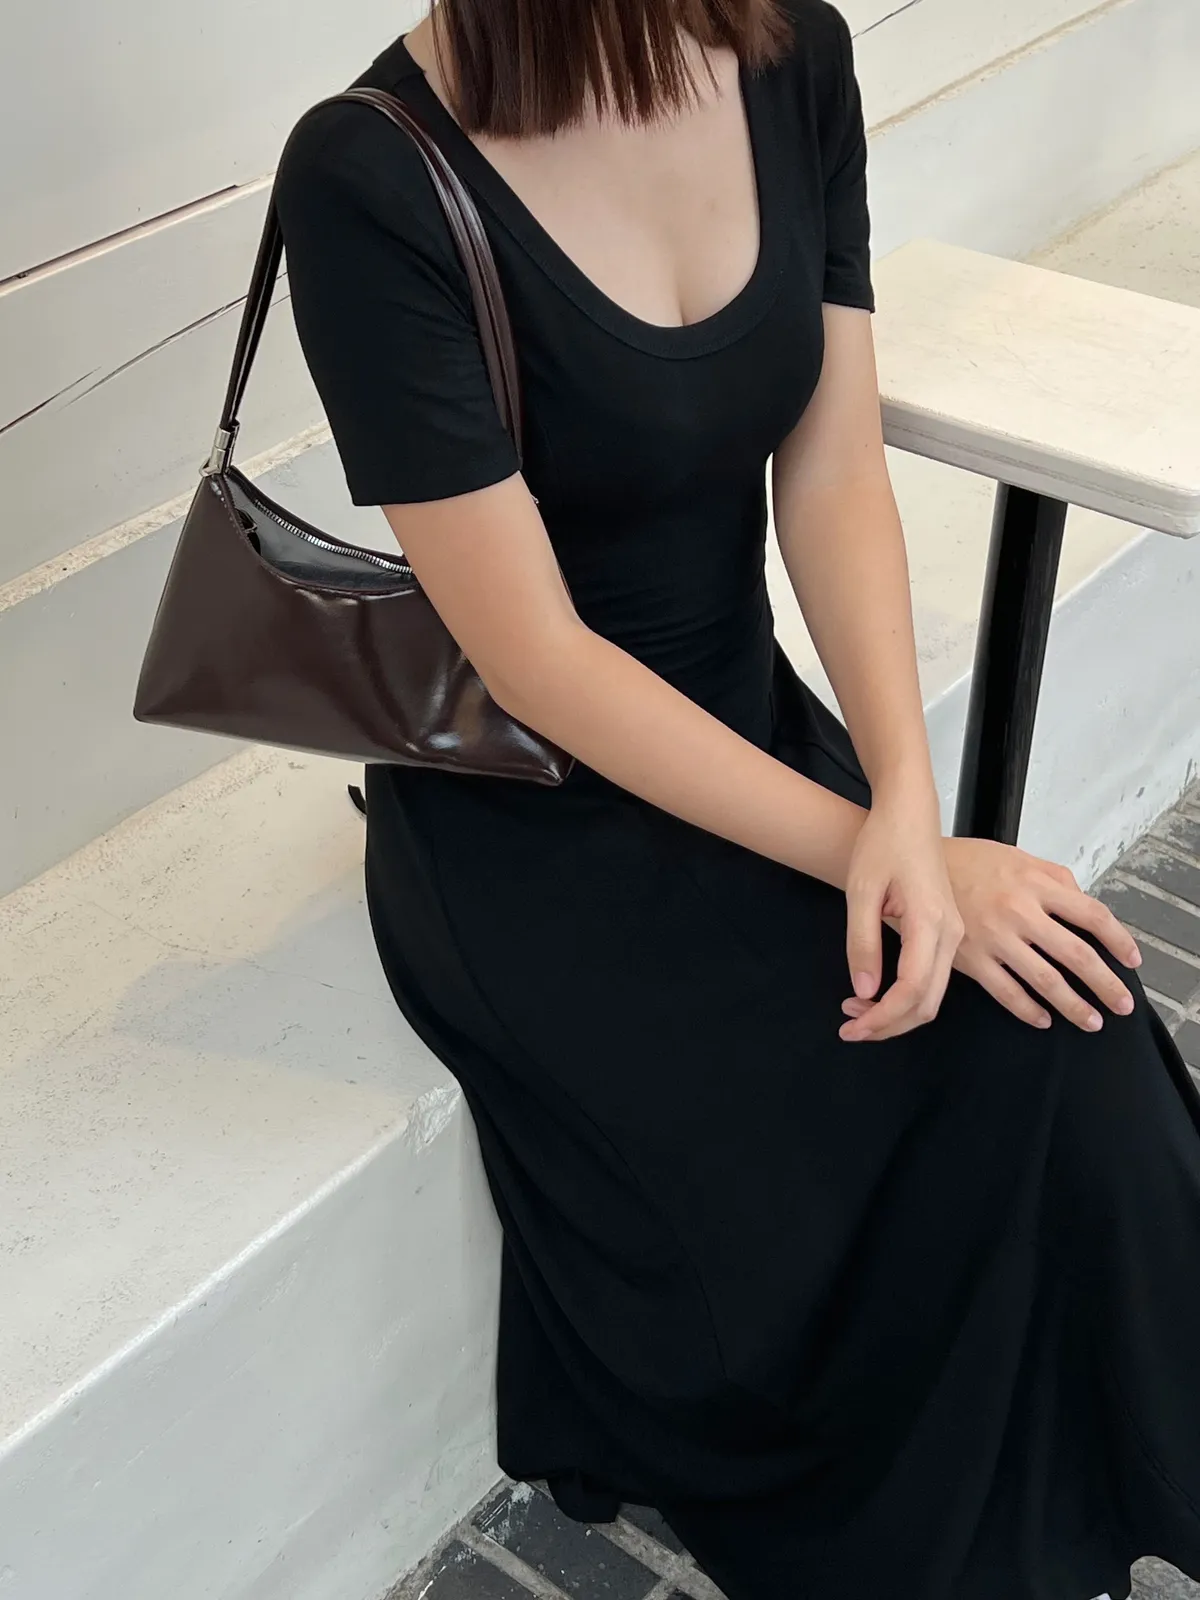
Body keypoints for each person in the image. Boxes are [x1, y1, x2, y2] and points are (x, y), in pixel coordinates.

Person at [273, 2, 1200, 1594]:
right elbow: (537, 658)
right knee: (971, 1080)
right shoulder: (371, 176)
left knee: (1076, 1026)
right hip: (532, 826)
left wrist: (907, 805)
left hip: (752, 735)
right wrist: (877, 853)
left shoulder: (793, 53)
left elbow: (830, 468)